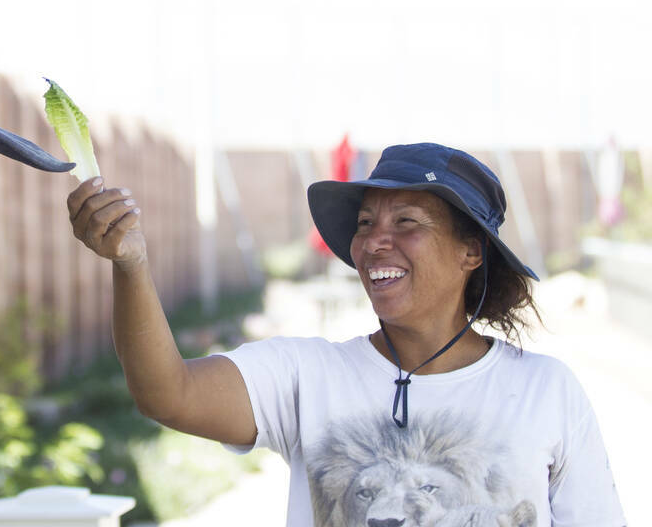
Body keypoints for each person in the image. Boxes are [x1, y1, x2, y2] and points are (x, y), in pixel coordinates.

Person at [67, 142, 625, 526]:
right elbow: (167, 393)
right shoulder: (306, 377)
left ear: (470, 251)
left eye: (406, 222)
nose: (374, 242)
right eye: (365, 224)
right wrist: (131, 265)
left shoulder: (546, 392)